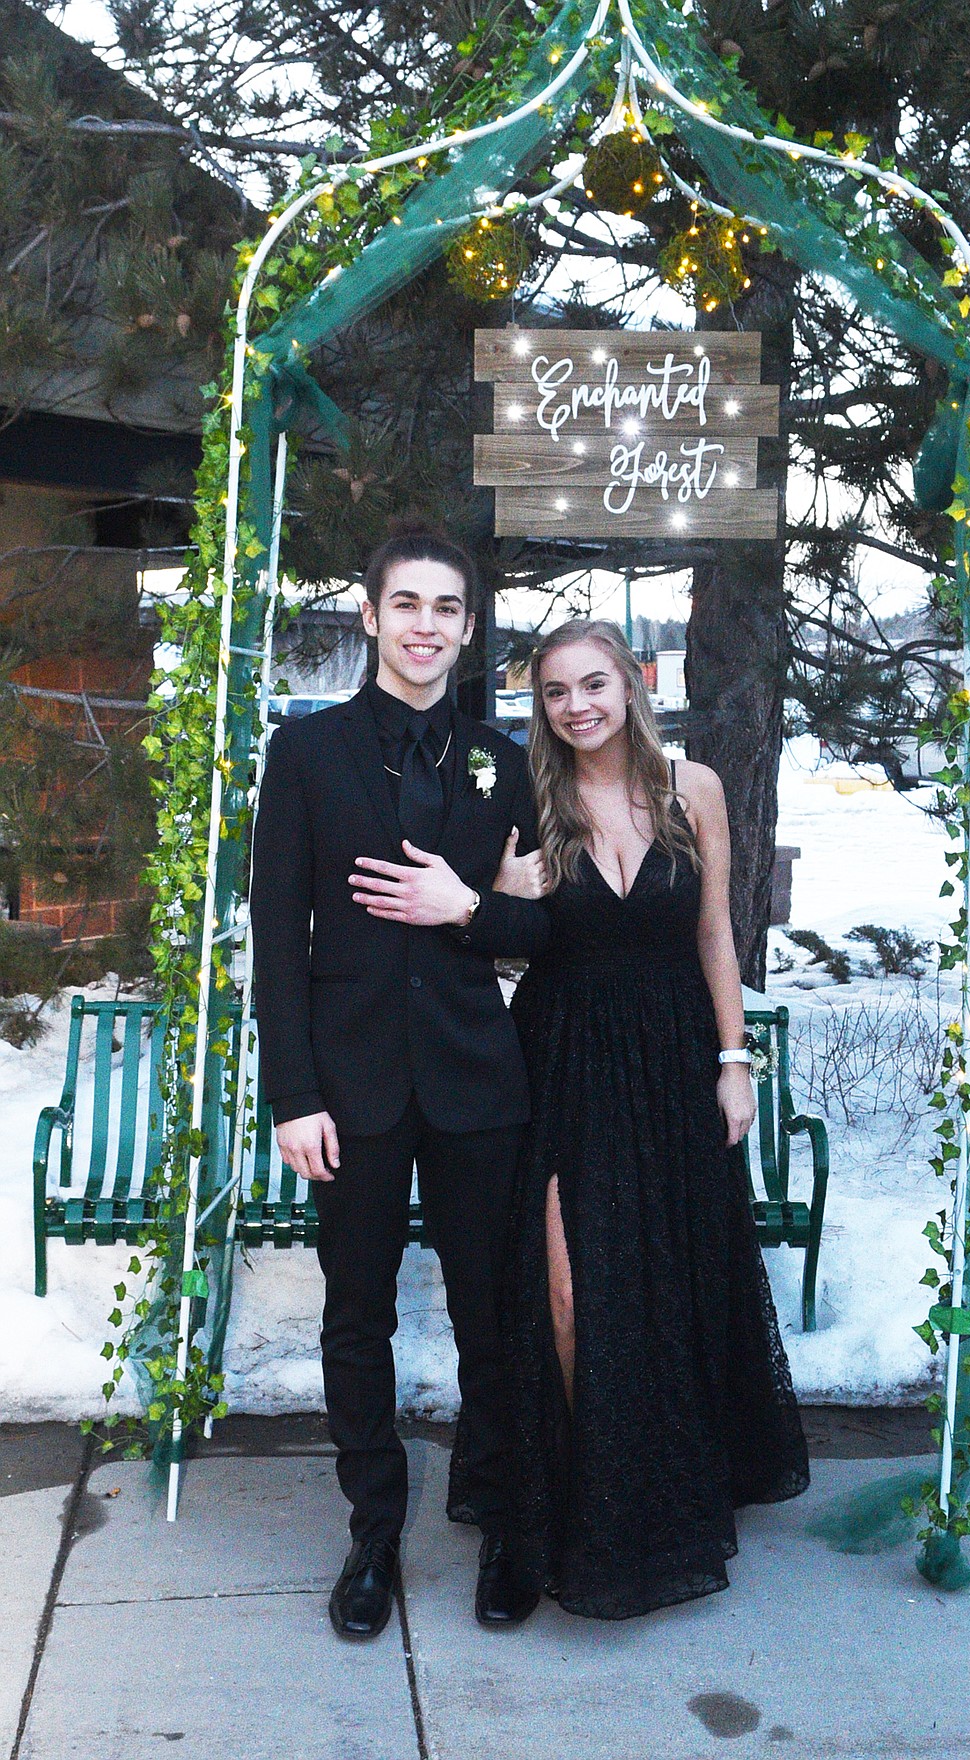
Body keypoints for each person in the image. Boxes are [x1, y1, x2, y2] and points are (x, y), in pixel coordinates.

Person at [250, 525, 546, 1639]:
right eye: (406, 603)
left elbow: (538, 922)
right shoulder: (307, 754)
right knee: (356, 1315)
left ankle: (506, 1516)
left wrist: (468, 907)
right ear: (370, 614)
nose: (426, 624)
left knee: (491, 1310)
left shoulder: (503, 761)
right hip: (351, 1085)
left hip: (478, 1081)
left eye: (447, 607)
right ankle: (372, 1532)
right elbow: (278, 932)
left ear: (470, 629)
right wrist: (293, 1091)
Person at [492, 618, 810, 1620]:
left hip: (675, 1055)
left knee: (671, 1279)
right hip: (563, 1059)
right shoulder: (527, 801)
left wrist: (733, 1058)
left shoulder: (695, 787)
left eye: (595, 683)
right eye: (556, 692)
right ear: (540, 706)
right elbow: (497, 943)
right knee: (571, 1291)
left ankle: (660, 1491)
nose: (578, 705)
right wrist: (501, 893)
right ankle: (585, 1497)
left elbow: (717, 931)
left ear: (635, 682)